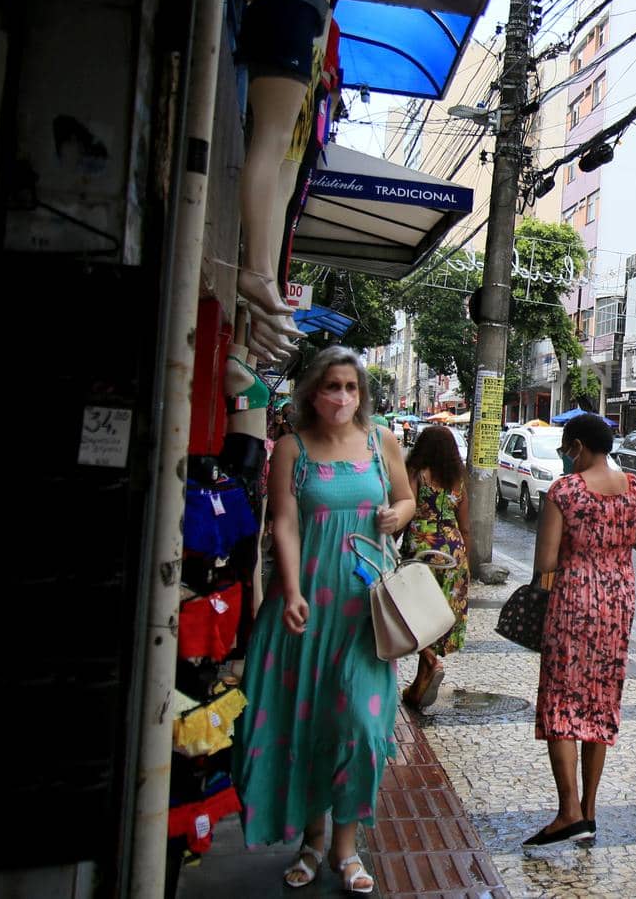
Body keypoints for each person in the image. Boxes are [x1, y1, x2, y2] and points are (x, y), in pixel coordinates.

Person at [234, 346, 415, 894]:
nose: (341, 397)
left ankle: (346, 843)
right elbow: (283, 524)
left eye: (351, 388)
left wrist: (397, 513)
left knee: (361, 728)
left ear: (362, 395)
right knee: (306, 726)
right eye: (331, 386)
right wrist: (287, 590)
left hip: (366, 616)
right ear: (312, 391)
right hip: (307, 608)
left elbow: (408, 499)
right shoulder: (291, 449)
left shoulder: (382, 442)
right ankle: (312, 841)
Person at [529, 414, 636, 846]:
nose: (565, 457)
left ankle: (568, 812)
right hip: (617, 605)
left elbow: (545, 563)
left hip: (573, 600)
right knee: (600, 701)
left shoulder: (566, 491)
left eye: (566, 448)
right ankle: (589, 813)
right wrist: (632, 535)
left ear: (578, 446)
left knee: (560, 700)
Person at [401, 425, 471, 710]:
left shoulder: (417, 473)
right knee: (439, 612)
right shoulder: (458, 481)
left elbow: (406, 509)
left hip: (423, 548)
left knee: (413, 611)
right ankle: (419, 685)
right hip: (453, 550)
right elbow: (465, 526)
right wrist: (468, 565)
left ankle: (429, 658)